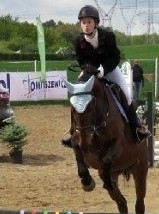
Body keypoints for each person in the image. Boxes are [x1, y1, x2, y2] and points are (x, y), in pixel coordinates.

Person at [61, 5, 148, 147]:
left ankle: (137, 127)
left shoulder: (107, 37)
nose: (86, 25)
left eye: (89, 22)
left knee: (126, 94)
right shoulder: (79, 41)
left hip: (110, 69)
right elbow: (81, 60)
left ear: (96, 23)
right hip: (90, 71)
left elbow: (115, 57)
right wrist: (87, 68)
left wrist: (104, 69)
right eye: (83, 22)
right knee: (77, 95)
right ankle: (73, 133)